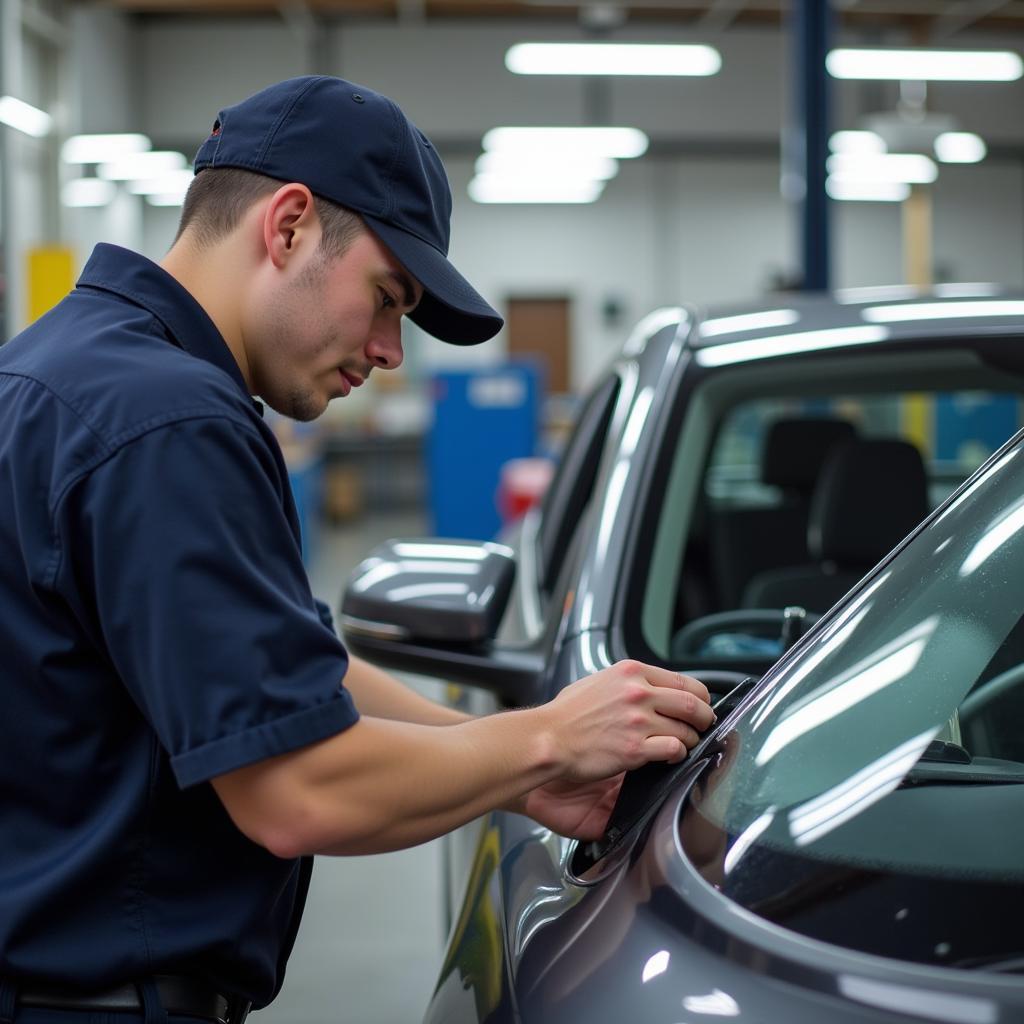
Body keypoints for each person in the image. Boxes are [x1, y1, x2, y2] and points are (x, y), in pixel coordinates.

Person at [0, 76, 715, 1022]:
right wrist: (546, 739)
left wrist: (513, 770)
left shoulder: (61, 365)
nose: (390, 351)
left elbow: (296, 672)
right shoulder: (170, 422)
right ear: (288, 224)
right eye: (387, 299)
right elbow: (295, 791)